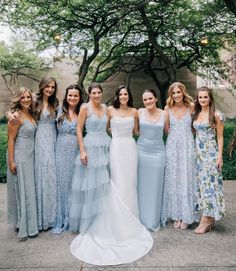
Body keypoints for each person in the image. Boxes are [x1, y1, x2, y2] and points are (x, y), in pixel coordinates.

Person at [69, 85, 153, 266]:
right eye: (94, 93)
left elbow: (137, 131)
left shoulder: (131, 111)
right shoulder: (107, 110)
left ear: (129, 96)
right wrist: (84, 150)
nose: (123, 96)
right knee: (112, 182)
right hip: (112, 148)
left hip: (127, 149)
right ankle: (106, 218)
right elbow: (87, 128)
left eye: (125, 94)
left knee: (129, 184)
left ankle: (131, 219)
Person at [69, 82, 111, 233]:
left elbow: (108, 128)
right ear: (89, 94)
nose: (97, 95)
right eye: (94, 93)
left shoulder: (106, 108)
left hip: (105, 145)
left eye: (99, 92)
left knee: (104, 182)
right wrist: (82, 151)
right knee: (91, 184)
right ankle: (90, 221)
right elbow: (79, 130)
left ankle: (102, 218)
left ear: (102, 92)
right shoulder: (85, 108)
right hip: (91, 147)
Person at [162, 82, 198, 229]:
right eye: (173, 93)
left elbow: (196, 127)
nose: (176, 95)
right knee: (174, 178)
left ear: (183, 92)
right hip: (172, 146)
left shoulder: (191, 106)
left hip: (187, 145)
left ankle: (187, 215)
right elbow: (166, 129)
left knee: (187, 177)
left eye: (178, 92)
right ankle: (176, 214)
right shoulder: (167, 108)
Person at [192, 86, 226, 234]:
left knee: (210, 185)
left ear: (210, 98)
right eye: (200, 97)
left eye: (205, 97)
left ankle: (206, 220)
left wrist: (219, 157)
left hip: (211, 155)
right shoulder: (196, 113)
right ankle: (209, 218)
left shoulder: (217, 115)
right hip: (199, 156)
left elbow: (220, 136)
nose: (203, 100)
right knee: (202, 185)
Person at [7, 87, 38, 241]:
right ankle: (22, 224)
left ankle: (30, 222)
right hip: (20, 156)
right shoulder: (16, 117)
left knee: (29, 190)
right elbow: (11, 140)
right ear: (18, 99)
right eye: (23, 98)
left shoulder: (30, 113)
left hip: (31, 156)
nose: (26, 100)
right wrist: (12, 161)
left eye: (28, 97)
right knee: (22, 190)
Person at [52, 84, 84, 234]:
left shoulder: (82, 111)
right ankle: (63, 216)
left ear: (80, 97)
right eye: (70, 95)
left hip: (77, 151)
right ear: (66, 96)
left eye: (75, 95)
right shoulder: (58, 110)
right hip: (61, 151)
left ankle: (75, 218)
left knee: (75, 184)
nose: (72, 98)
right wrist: (10, 114)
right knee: (63, 184)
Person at [137, 89, 168, 231]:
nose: (148, 101)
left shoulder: (164, 114)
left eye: (150, 98)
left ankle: (153, 219)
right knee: (141, 185)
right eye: (145, 100)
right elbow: (136, 131)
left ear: (156, 98)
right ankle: (140, 218)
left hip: (158, 153)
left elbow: (167, 131)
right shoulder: (139, 112)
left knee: (155, 186)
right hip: (141, 152)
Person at [34, 77, 59, 231]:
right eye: (47, 86)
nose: (50, 89)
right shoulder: (34, 101)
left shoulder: (55, 104)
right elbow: (15, 109)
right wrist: (11, 115)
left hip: (53, 140)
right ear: (42, 86)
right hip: (40, 140)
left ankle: (52, 216)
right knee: (42, 175)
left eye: (52, 87)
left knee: (51, 176)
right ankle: (42, 217)